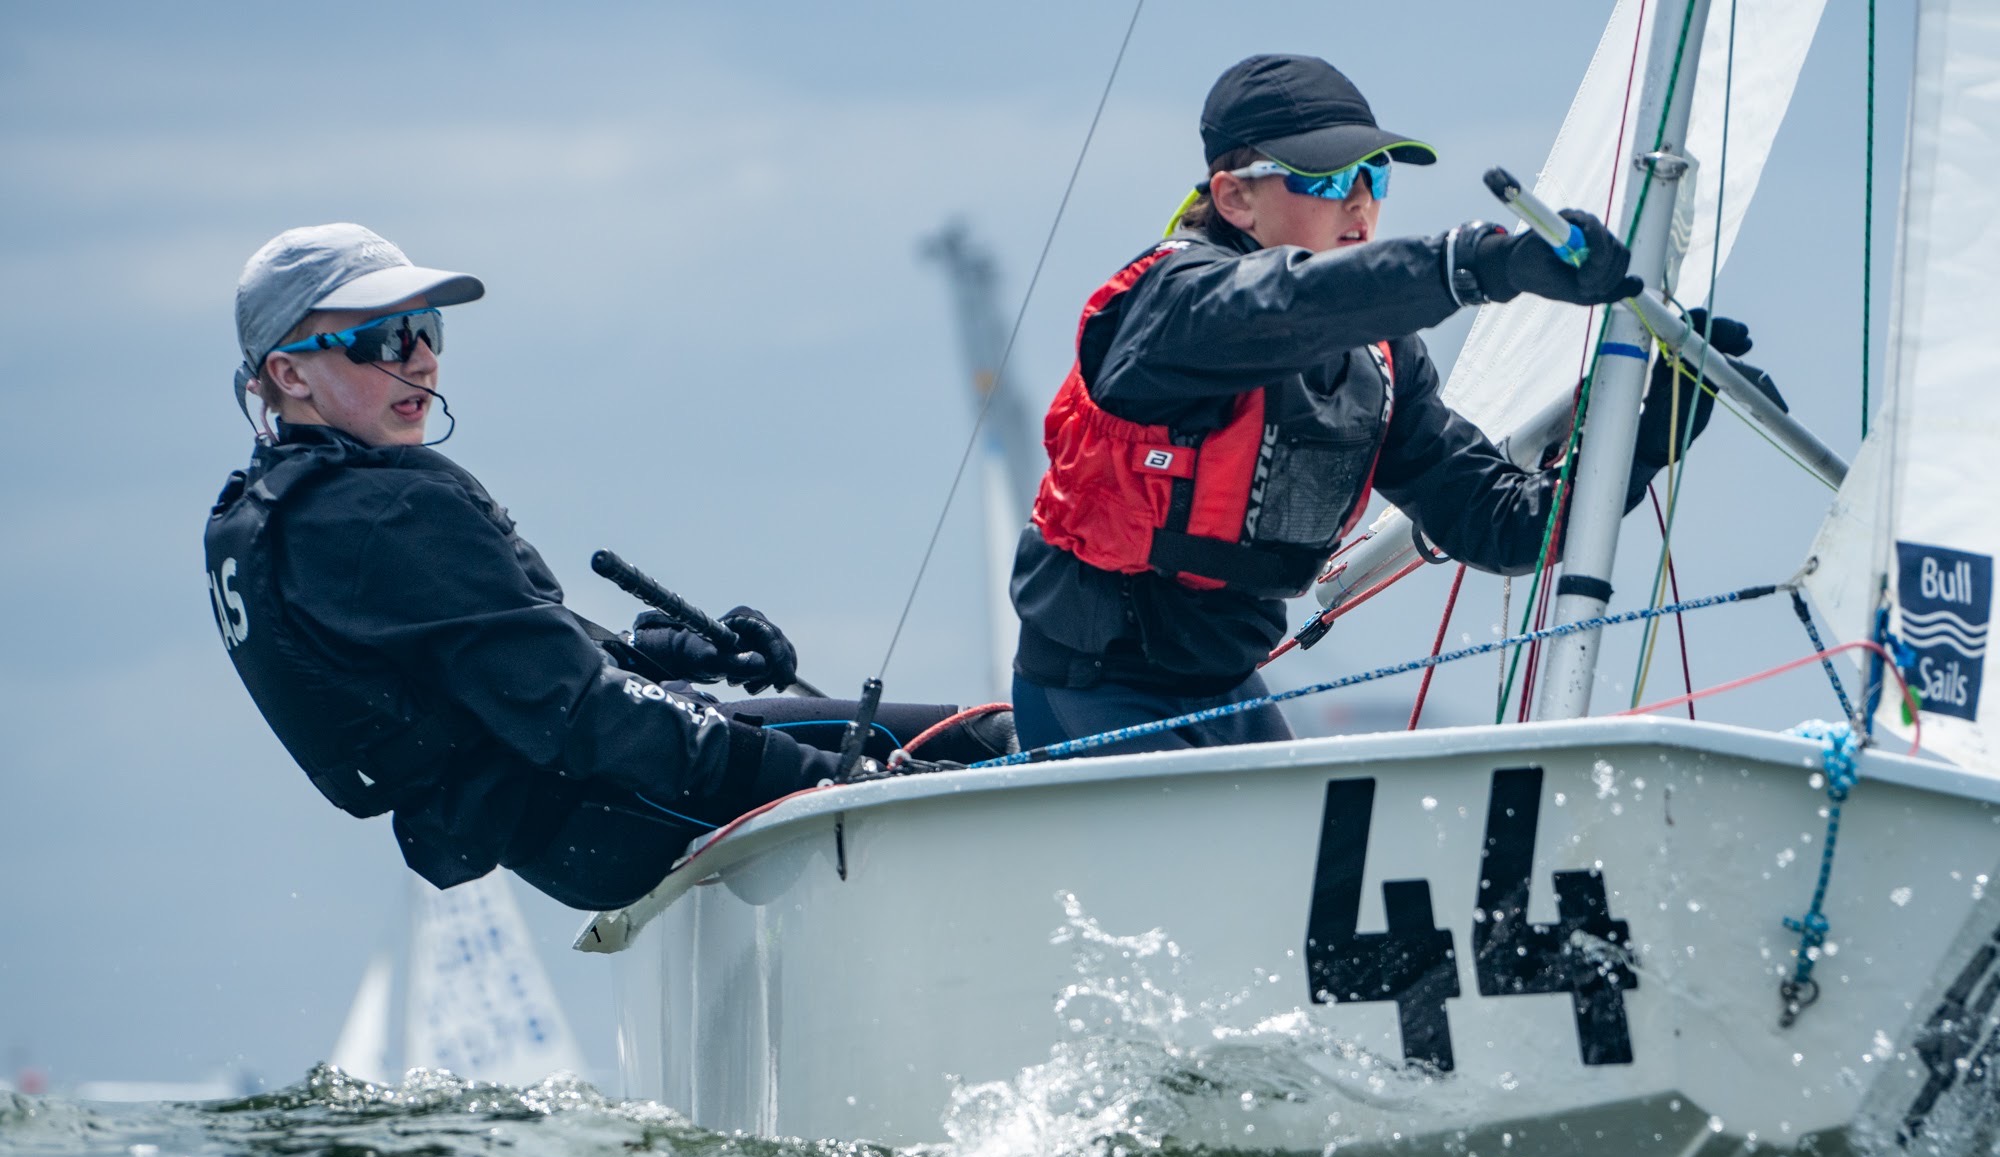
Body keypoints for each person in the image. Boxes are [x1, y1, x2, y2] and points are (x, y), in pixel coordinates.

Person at [206, 224, 1007, 911]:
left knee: (950, 739)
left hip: (578, 824)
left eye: (426, 330)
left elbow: (508, 661)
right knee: (988, 737)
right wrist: (837, 778)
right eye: (381, 339)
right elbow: (581, 714)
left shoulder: (287, 509)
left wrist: (681, 652)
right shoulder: (376, 516)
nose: (418, 360)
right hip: (612, 802)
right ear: (289, 372)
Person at [1010, 54, 1777, 754]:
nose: (1363, 203)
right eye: (1329, 180)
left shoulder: (1380, 362)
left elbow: (1503, 524)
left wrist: (1649, 433)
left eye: (1376, 178)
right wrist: (1482, 262)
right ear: (1235, 198)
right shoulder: (1175, 306)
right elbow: (1287, 304)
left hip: (1224, 691)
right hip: (1093, 690)